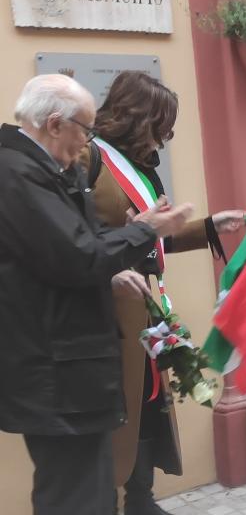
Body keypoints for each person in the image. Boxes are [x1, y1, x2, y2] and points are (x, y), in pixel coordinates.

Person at [0, 74, 193, 515]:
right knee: (75, 496)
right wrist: (142, 230)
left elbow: (52, 256)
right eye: (83, 130)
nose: (87, 140)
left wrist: (110, 271)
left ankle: (138, 499)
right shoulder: (19, 172)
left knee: (91, 486)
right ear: (54, 124)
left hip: (71, 364)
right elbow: (77, 254)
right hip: (55, 369)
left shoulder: (42, 168)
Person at [79, 70, 246, 515]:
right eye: (161, 124)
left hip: (145, 305)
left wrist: (209, 226)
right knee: (122, 405)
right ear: (136, 117)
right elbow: (76, 238)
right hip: (108, 308)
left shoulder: (141, 167)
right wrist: (126, 238)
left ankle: (140, 500)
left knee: (150, 400)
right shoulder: (89, 159)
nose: (166, 135)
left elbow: (157, 237)